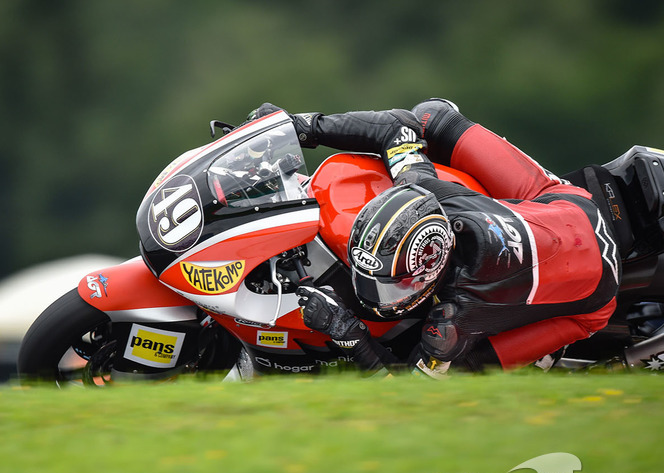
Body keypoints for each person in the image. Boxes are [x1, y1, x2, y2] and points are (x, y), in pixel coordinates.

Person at [247, 100, 621, 378]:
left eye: (392, 288)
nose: (375, 297)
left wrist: (349, 335)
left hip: (594, 297)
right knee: (432, 117)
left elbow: (408, 399)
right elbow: (399, 127)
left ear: (431, 274)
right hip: (567, 206)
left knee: (460, 375)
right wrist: (297, 127)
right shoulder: (423, 186)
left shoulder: (450, 324)